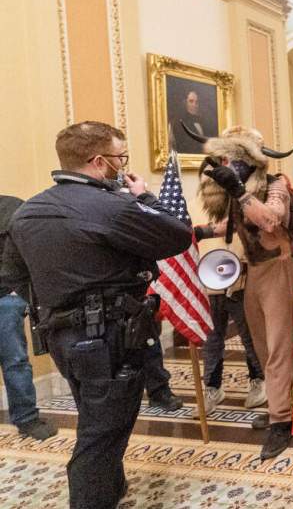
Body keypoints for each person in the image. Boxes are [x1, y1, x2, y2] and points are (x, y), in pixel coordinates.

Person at [0, 121, 192, 508]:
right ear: (100, 162)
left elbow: (14, 275)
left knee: (96, 415)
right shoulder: (114, 207)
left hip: (62, 339)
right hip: (109, 339)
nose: (124, 166)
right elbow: (177, 235)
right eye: (121, 158)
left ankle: (112, 486)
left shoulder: (28, 210)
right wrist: (146, 197)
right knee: (100, 436)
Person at [189, 124, 293, 460]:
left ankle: (282, 421)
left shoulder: (275, 183)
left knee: (280, 346)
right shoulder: (244, 189)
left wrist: (238, 190)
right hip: (253, 272)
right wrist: (194, 231)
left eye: (235, 156)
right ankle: (283, 405)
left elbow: (271, 220)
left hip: (279, 269)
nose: (229, 162)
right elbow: (237, 223)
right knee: (263, 346)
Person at [192, 222, 267, 421]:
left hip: (240, 283)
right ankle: (213, 387)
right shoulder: (196, 204)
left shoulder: (240, 205)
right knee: (211, 340)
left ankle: (259, 380)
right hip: (208, 283)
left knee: (249, 336)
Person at [0, 195, 57, 441]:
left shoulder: (12, 207)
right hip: (8, 296)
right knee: (16, 361)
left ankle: (27, 418)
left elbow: (30, 249)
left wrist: (18, 292)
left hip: (5, 298)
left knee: (15, 361)